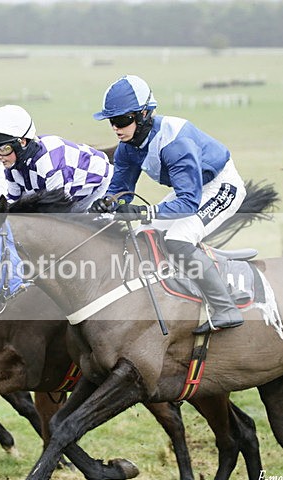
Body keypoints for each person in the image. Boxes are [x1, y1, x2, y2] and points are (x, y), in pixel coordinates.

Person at [92, 75, 246, 334]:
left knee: (177, 239)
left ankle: (225, 308)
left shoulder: (176, 144)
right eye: (111, 121)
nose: (116, 128)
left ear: (143, 115)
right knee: (142, 235)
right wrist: (106, 203)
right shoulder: (127, 147)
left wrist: (143, 211)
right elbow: (121, 192)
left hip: (220, 187)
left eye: (121, 121)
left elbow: (188, 202)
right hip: (190, 190)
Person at [0, 105, 112, 212]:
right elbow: (13, 202)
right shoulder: (12, 166)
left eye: (4, 149)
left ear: (22, 142)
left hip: (102, 189)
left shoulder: (50, 164)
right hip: (72, 199)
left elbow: (58, 213)